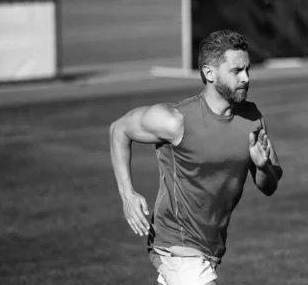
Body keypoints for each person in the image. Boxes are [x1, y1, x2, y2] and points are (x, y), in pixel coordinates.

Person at [109, 30, 283, 285]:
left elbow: (269, 186)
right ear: (209, 73)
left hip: (209, 248)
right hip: (176, 245)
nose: (246, 78)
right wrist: (128, 195)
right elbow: (119, 129)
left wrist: (263, 166)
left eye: (247, 69)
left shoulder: (251, 118)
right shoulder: (176, 120)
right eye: (236, 71)